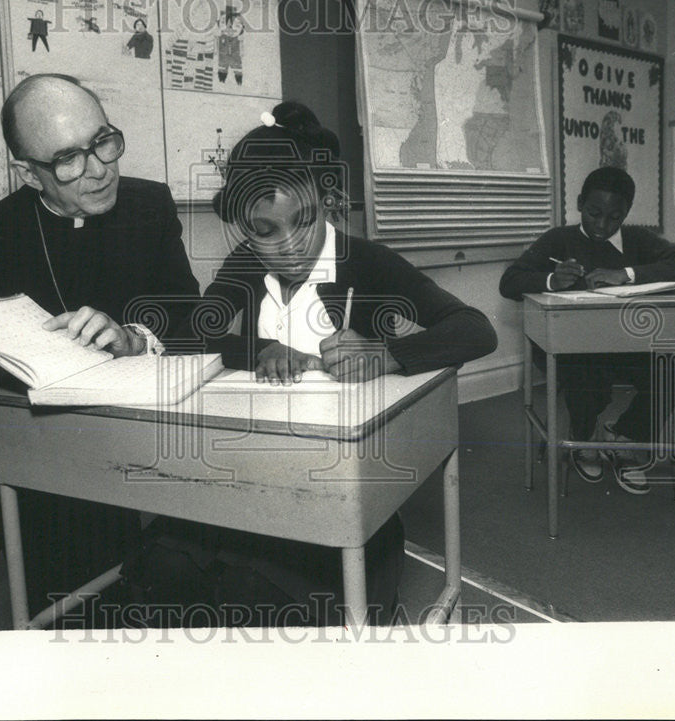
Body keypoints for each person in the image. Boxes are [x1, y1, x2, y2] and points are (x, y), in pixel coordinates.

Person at [135, 101, 498, 626]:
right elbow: (195, 334)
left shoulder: (367, 263)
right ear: (243, 226)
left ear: (325, 200)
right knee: (165, 570)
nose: (286, 248)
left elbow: (474, 329)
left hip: (343, 491)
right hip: (249, 478)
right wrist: (259, 350)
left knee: (258, 593)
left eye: (302, 221)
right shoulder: (243, 264)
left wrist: (386, 355)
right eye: (263, 230)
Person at [0, 73, 200, 615]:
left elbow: (193, 317)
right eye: (68, 159)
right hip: (40, 471)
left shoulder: (148, 205)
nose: (98, 169)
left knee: (174, 592)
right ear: (28, 172)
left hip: (149, 450)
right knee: (67, 612)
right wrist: (1, 365)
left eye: (103, 142)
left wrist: (135, 337)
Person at [499, 166, 675, 493]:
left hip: (630, 344)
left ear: (626, 213)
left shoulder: (638, 239)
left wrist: (626, 273)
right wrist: (553, 280)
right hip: (572, 346)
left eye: (614, 217)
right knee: (588, 373)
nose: (602, 225)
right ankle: (583, 436)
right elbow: (509, 282)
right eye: (594, 213)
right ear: (580, 203)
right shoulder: (559, 238)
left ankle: (626, 437)